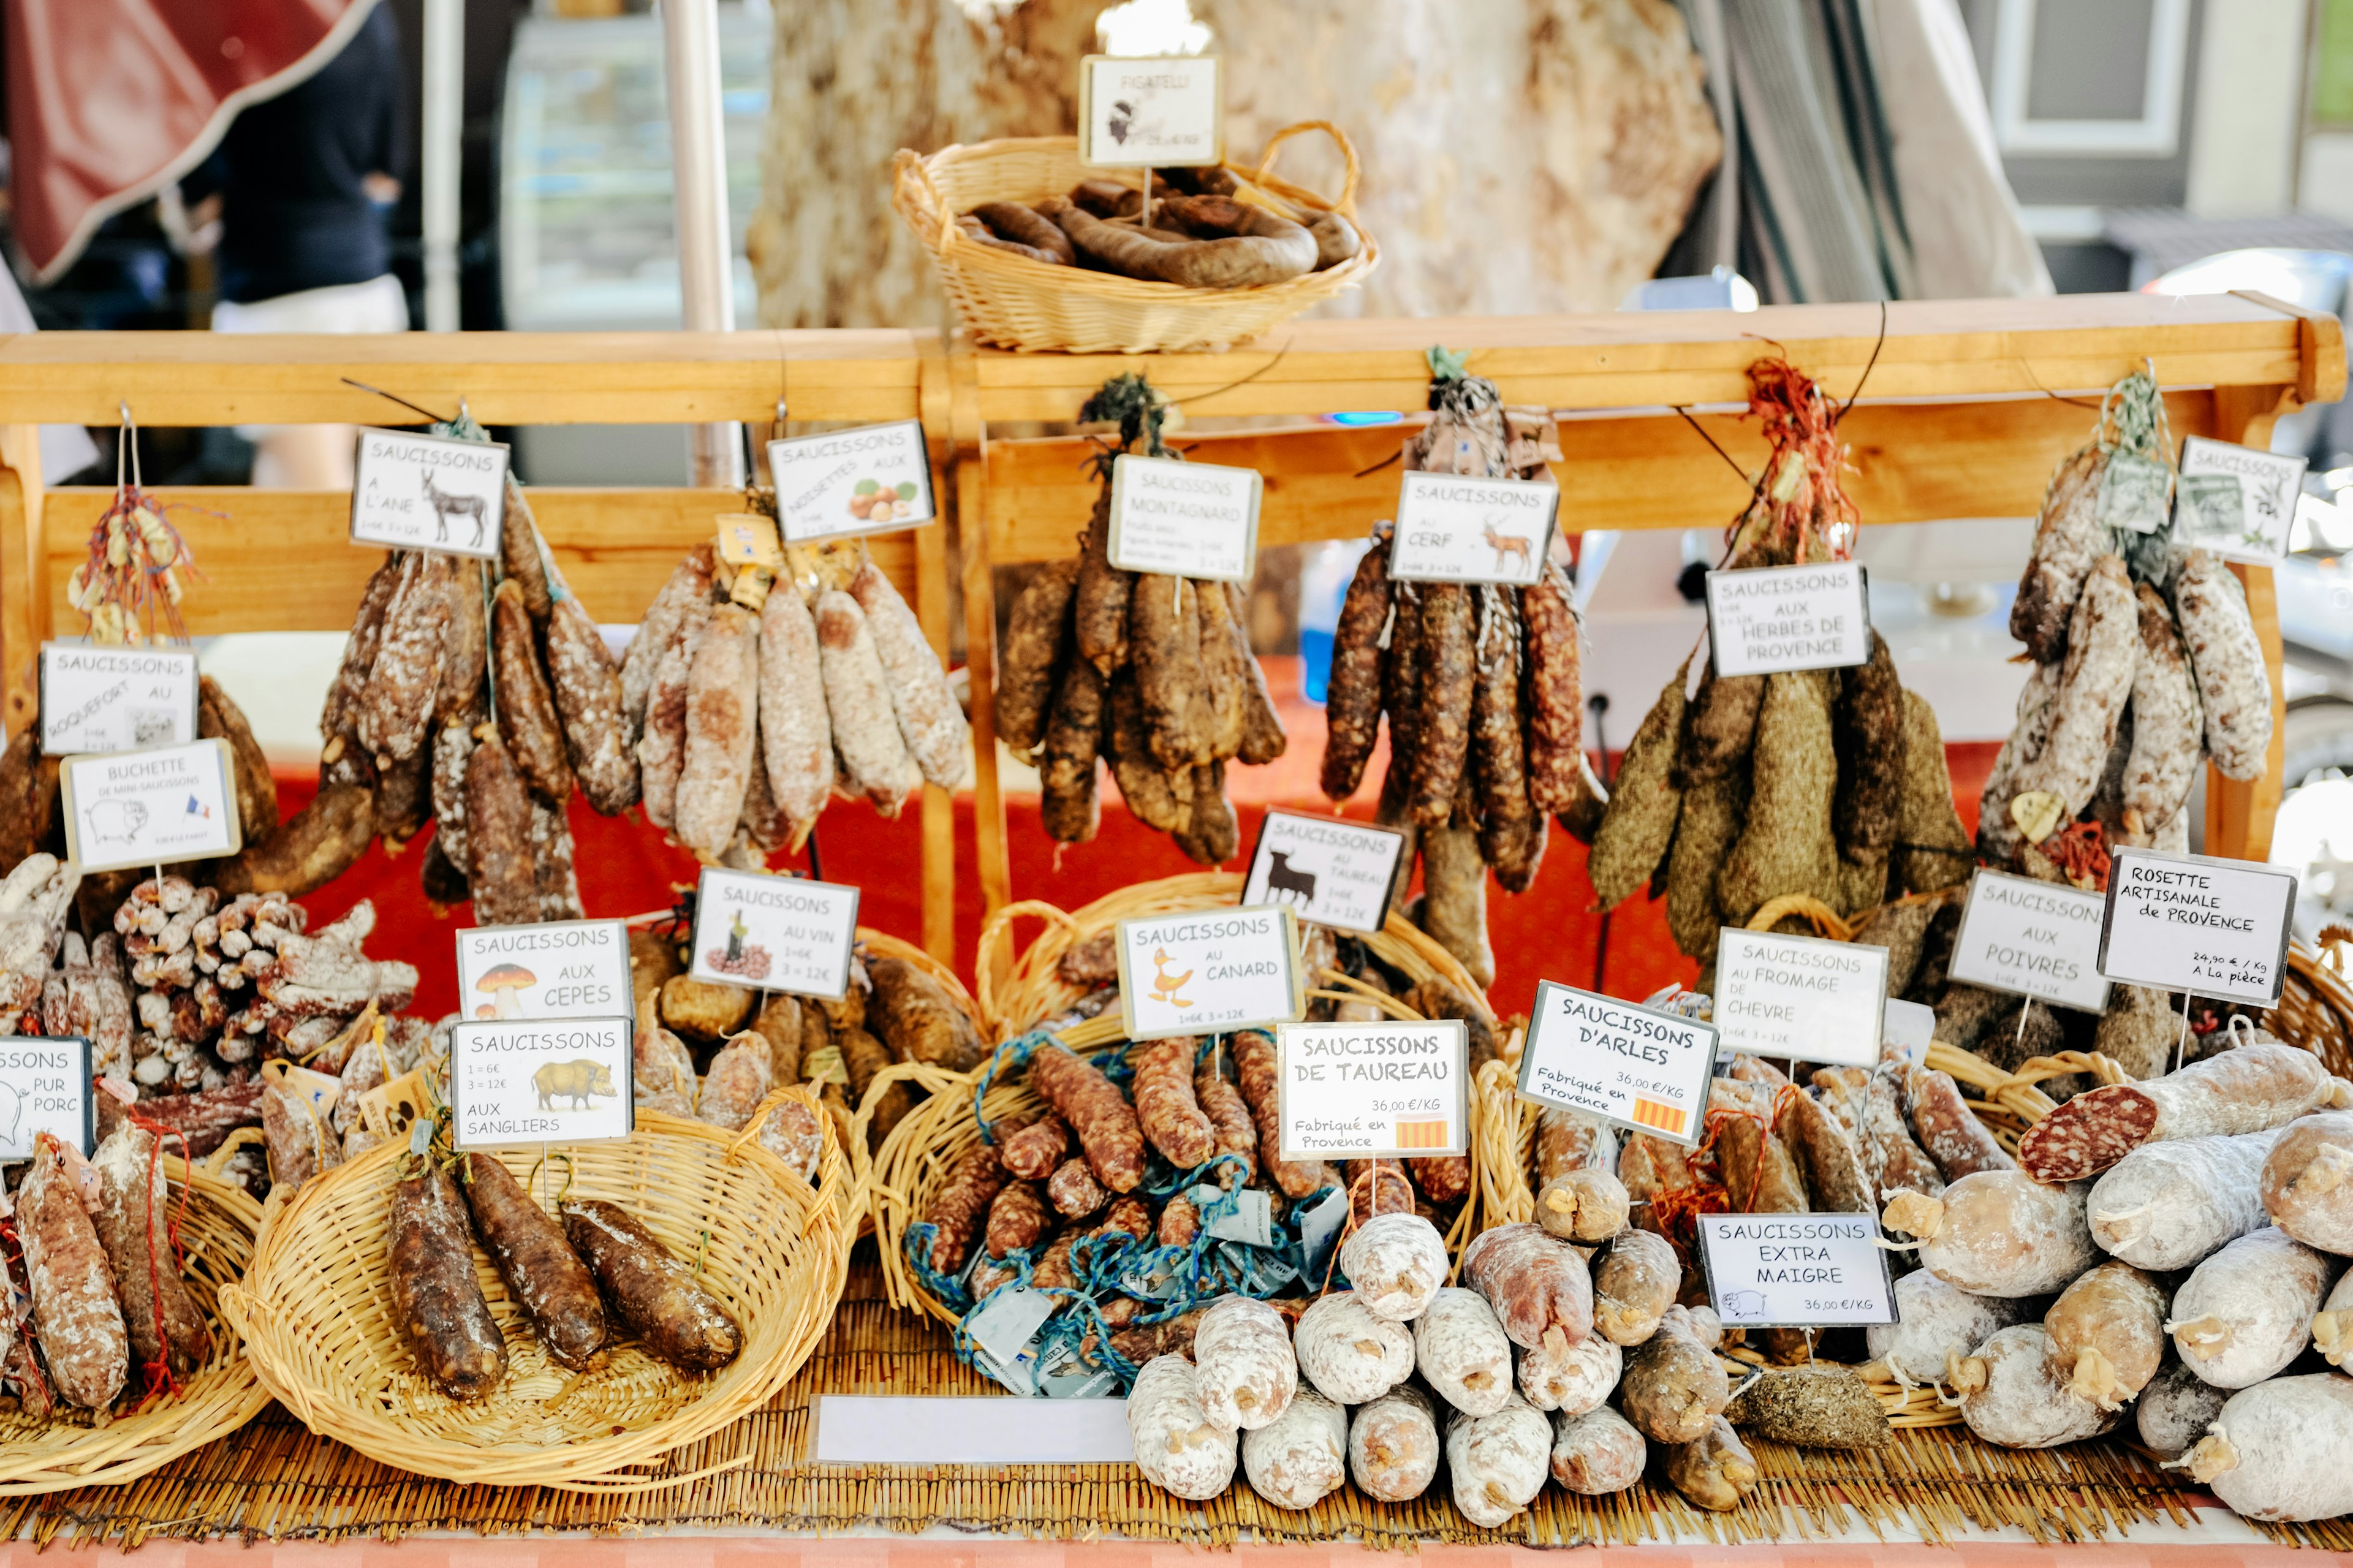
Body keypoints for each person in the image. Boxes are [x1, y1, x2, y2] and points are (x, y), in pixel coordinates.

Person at [193, 3, 409, 487]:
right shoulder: (368, 16)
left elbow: (198, 204)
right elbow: (387, 177)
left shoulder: (234, 24)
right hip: (366, 289)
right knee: (309, 494)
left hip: (279, 300)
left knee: (319, 508)